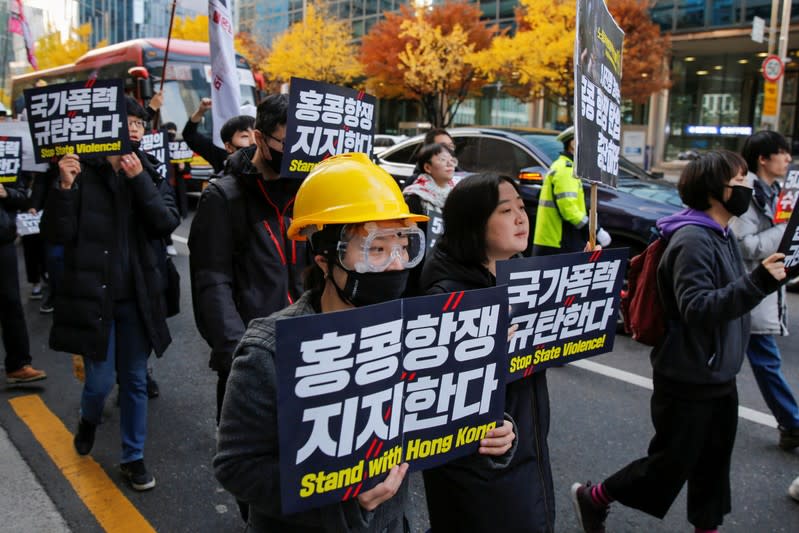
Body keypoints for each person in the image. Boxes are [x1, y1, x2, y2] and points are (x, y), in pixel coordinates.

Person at [214, 152, 515, 532]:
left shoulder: (419, 334)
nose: (394, 263)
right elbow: (237, 466)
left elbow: (441, 418)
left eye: (402, 244)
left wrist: (490, 431)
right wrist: (342, 500)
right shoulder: (271, 350)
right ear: (325, 259)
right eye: (374, 248)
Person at [571, 150, 787, 533]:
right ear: (714, 190)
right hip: (688, 375)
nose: (748, 187)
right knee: (669, 463)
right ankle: (595, 496)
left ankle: (707, 527)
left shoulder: (720, 234)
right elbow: (698, 307)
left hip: (717, 374)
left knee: (713, 464)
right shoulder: (693, 239)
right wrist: (759, 283)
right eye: (740, 182)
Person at [42, 96, 180, 490]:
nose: (134, 129)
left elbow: (166, 222)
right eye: (127, 121)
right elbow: (57, 235)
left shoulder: (150, 170)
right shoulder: (81, 173)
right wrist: (64, 189)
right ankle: (88, 418)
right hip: (94, 296)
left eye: (139, 123)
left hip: (137, 298)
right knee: (100, 381)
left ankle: (133, 457)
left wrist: (138, 182)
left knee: (134, 379)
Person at [418, 172, 553, 532]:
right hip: (480, 472)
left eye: (522, 207)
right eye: (507, 211)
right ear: (474, 223)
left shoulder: (514, 277)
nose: (522, 218)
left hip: (526, 453)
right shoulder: (445, 298)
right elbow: (432, 403)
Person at [189, 94, 305, 424]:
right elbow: (212, 281)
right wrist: (237, 354)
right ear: (258, 137)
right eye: (286, 142)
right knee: (247, 457)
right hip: (253, 352)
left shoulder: (307, 190)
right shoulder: (224, 196)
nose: (295, 153)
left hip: (309, 347)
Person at [731, 130, 799, 450]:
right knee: (765, 361)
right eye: (782, 153)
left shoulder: (775, 193)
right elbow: (745, 244)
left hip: (757, 290)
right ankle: (793, 423)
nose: (788, 159)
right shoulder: (749, 194)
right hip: (748, 289)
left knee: (734, 358)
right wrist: (785, 234)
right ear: (763, 158)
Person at [532, 126, 610, 255]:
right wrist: (596, 230)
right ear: (573, 144)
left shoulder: (565, 167)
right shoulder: (567, 170)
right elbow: (569, 210)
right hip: (557, 241)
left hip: (555, 239)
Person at [1, 174, 47, 384]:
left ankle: (18, 364)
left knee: (11, 303)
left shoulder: (4, 155)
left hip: (2, 241)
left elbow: (22, 196)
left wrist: (5, 192)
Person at [402, 142, 457, 295]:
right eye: (442, 159)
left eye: (451, 160)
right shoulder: (414, 196)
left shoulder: (457, 195)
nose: (449, 163)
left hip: (446, 267)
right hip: (418, 271)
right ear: (427, 167)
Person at [180, 97, 254, 173]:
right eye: (245, 136)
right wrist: (200, 112)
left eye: (256, 135)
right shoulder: (219, 149)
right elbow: (189, 135)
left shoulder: (265, 153)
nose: (253, 141)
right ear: (228, 146)